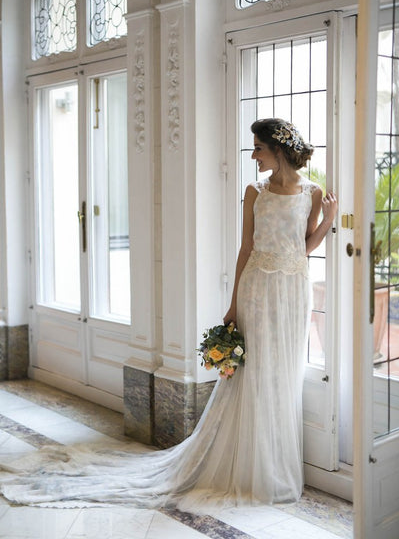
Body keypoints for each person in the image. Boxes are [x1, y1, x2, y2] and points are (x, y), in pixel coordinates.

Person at [0, 118, 337, 510]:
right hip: (257, 291)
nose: (253, 155)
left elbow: (303, 247)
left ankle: (275, 467)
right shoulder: (254, 192)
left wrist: (329, 221)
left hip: (293, 292)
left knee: (283, 376)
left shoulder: (312, 193)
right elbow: (245, 249)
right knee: (255, 374)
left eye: (258, 148)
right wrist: (232, 304)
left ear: (278, 151)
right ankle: (251, 466)